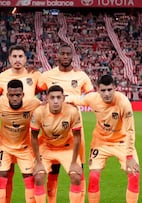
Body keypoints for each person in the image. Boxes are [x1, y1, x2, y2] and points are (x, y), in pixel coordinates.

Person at [67, 75, 140, 203]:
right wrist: (62, 99)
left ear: (115, 88)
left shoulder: (123, 102)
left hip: (121, 141)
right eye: (103, 90)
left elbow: (130, 130)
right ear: (98, 90)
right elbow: (76, 99)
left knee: (134, 174)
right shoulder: (93, 98)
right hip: (100, 142)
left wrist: (129, 157)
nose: (107, 94)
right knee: (94, 176)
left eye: (109, 90)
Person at [37, 44, 94, 203]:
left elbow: (92, 98)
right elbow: (35, 92)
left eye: (68, 54)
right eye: (62, 53)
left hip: (75, 127)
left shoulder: (81, 76)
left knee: (78, 167)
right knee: (53, 168)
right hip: (51, 127)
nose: (65, 56)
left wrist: (73, 100)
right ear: (58, 55)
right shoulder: (47, 76)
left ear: (72, 56)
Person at [0, 44, 41, 202]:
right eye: (14, 57)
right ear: (9, 59)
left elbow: (37, 99)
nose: (17, 60)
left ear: (26, 59)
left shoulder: (35, 76)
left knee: (30, 175)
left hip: (27, 135)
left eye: (21, 56)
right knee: (6, 173)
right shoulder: (1, 78)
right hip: (7, 132)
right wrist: (8, 116)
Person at [30, 85, 83, 203]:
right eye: (52, 97)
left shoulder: (72, 111)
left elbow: (77, 137)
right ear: (47, 98)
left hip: (66, 148)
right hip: (46, 147)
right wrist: (38, 162)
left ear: (63, 98)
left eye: (59, 97)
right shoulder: (39, 112)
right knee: (38, 176)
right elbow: (33, 137)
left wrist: (74, 162)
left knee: (76, 176)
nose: (55, 101)